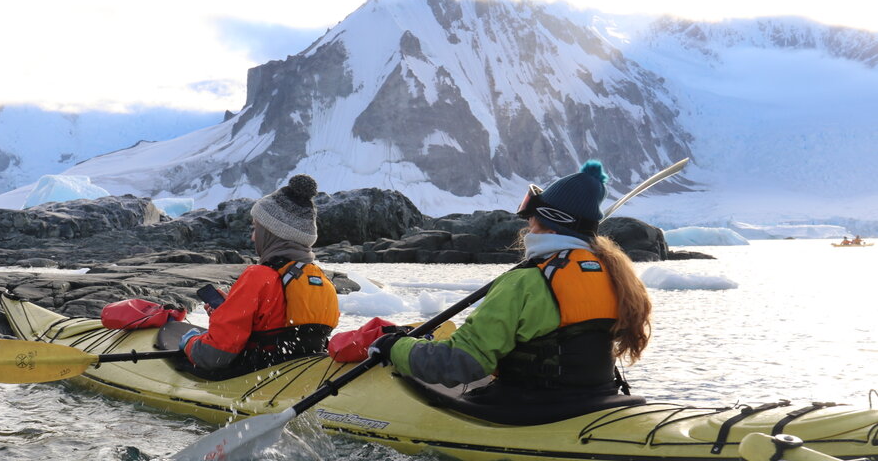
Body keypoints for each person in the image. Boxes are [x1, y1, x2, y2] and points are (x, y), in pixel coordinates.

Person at [369, 160, 652, 411]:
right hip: (595, 398)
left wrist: (395, 347)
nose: (527, 224)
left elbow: (462, 362)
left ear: (547, 223)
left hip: (531, 408)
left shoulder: (524, 282)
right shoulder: (613, 274)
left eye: (531, 216)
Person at [179, 174, 340, 377]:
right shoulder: (322, 281)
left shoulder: (259, 277)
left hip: (253, 377)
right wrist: (228, 310)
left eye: (256, 228)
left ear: (271, 233)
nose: (253, 237)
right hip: (298, 376)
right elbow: (278, 324)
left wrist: (190, 342)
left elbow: (214, 356)